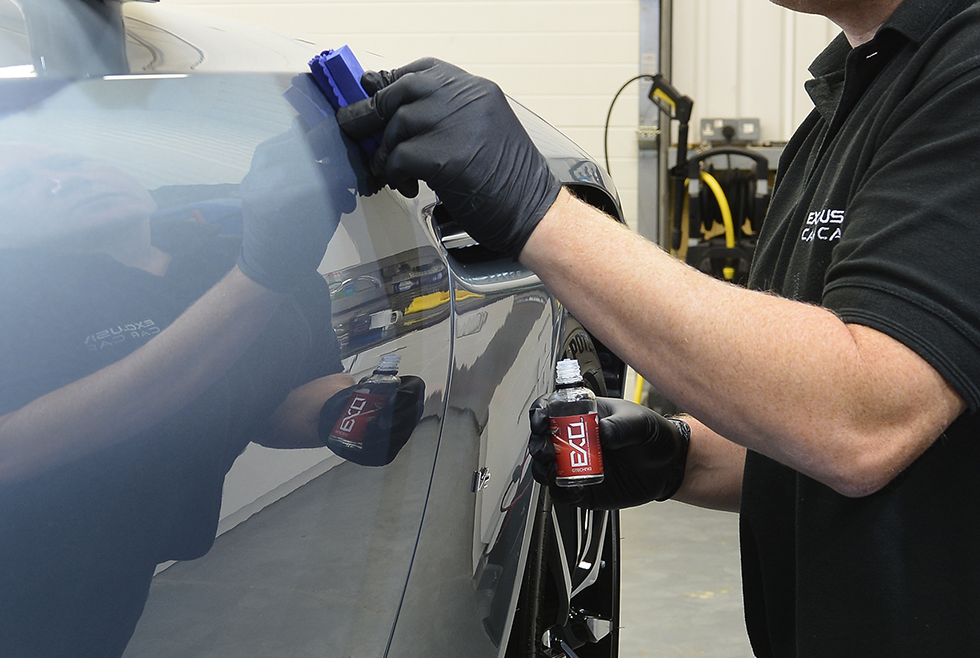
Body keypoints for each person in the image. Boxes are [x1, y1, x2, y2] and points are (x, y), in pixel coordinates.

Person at [337, 0, 980, 655]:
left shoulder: (965, 71)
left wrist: (537, 211)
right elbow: (865, 426)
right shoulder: (845, 104)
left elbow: (867, 419)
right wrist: (681, 457)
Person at [0, 132, 356, 657]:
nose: (62, 180)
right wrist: (259, 279)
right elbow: (0, 452)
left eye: (70, 162)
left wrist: (350, 413)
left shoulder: (232, 257)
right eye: (7, 184)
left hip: (105, 591)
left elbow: (281, 401)